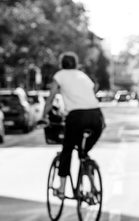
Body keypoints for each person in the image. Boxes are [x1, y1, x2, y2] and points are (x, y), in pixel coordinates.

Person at [43, 52, 104, 195]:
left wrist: (43, 116)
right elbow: (93, 88)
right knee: (83, 153)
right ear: (76, 64)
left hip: (76, 116)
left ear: (61, 64)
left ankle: (62, 188)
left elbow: (51, 97)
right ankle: (91, 182)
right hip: (96, 116)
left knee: (67, 150)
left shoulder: (60, 75)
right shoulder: (82, 76)